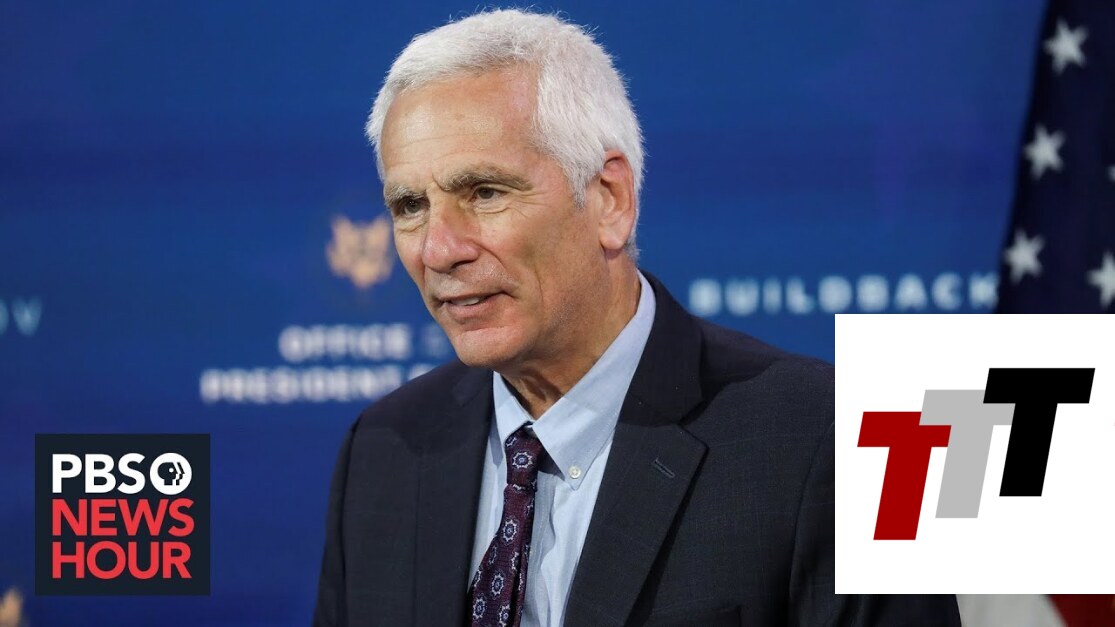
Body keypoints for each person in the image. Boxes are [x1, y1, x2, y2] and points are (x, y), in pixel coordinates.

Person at [313, 9, 960, 627]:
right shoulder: (385, 448)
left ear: (609, 200)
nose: (438, 249)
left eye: (484, 192)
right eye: (409, 205)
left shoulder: (836, 440)